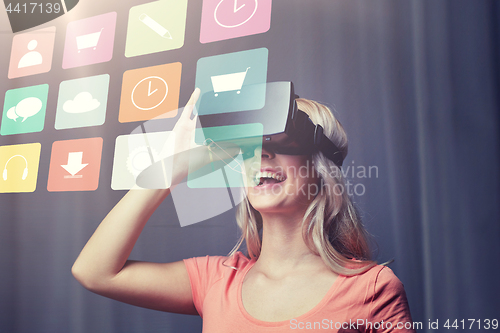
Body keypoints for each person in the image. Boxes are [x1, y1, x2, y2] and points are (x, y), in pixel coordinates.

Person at [72, 88, 415, 332]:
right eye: (250, 143)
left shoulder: (372, 289)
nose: (262, 154)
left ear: (320, 167)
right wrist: (170, 167)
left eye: (282, 140)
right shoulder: (217, 280)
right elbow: (95, 271)